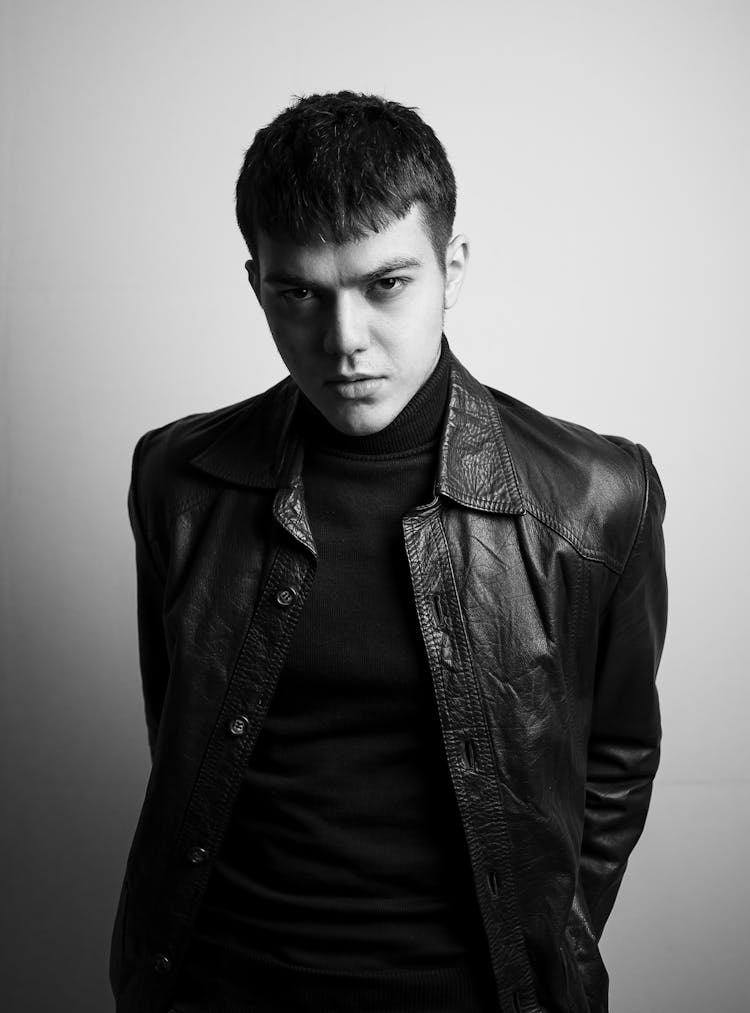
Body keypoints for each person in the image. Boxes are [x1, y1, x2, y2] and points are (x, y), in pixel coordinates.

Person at [109, 91, 667, 1013]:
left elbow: (617, 756)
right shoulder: (180, 478)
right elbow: (180, 724)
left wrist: (546, 934)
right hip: (215, 980)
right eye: (299, 294)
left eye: (386, 283)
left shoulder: (595, 498)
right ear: (257, 284)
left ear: (452, 266)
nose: (344, 341)